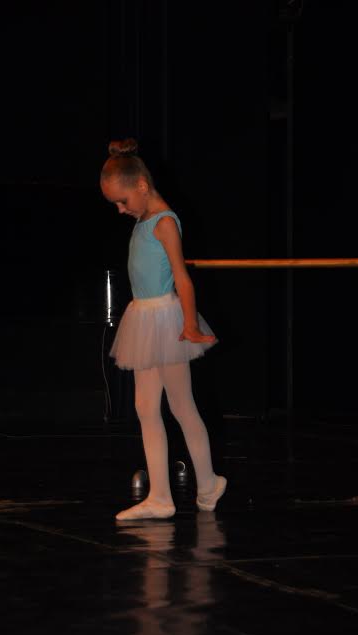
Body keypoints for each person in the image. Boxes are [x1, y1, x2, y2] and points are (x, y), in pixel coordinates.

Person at [100, 138, 227, 520]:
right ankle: (160, 496)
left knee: (181, 405)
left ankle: (209, 482)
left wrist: (189, 324)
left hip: (166, 320)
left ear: (142, 185)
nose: (121, 210)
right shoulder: (142, 221)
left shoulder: (165, 222)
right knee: (145, 407)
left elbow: (182, 279)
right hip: (143, 318)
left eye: (123, 201)